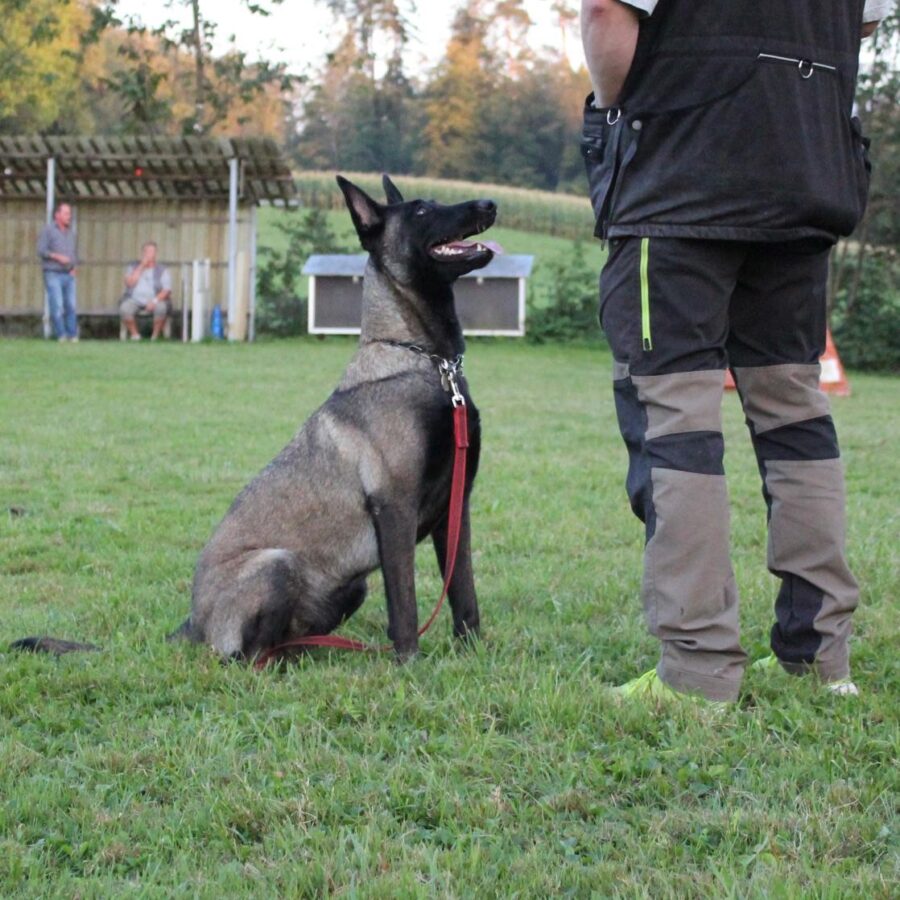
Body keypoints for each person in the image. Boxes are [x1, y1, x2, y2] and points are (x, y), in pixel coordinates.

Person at [580, 0, 894, 704]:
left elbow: (607, 10)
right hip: (806, 176)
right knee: (796, 416)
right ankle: (819, 662)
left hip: (680, 178)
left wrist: (620, 111)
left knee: (676, 423)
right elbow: (864, 22)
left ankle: (697, 672)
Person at [36, 202, 79, 342]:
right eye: (66, 213)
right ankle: (61, 335)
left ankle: (72, 335)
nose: (69, 216)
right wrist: (57, 256)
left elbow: (73, 253)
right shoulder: (48, 231)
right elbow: (41, 251)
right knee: (58, 304)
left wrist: (73, 267)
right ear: (57, 215)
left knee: (71, 305)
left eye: (70, 213)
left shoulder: (71, 233)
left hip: (68, 274)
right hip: (53, 273)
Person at [120, 241, 172, 341]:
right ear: (143, 253)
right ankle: (135, 335)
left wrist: (154, 301)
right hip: (134, 299)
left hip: (154, 299)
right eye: (147, 252)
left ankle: (155, 336)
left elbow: (166, 290)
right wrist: (141, 266)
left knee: (161, 308)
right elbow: (129, 283)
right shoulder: (133, 266)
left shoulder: (162, 270)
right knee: (124, 308)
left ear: (156, 253)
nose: (149, 254)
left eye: (152, 252)